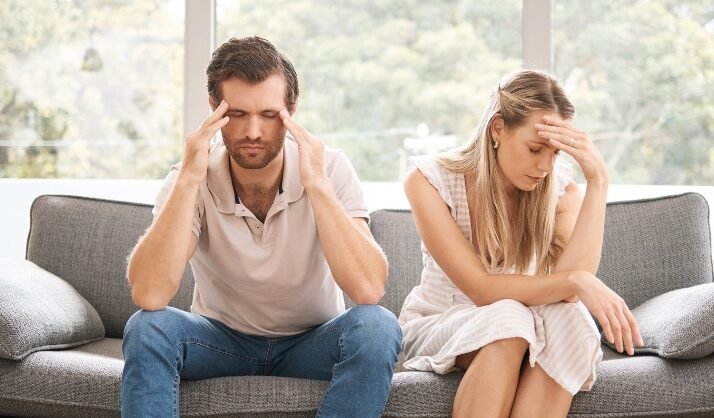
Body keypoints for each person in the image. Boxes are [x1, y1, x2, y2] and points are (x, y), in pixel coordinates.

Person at [121, 36, 401, 418]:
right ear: (214, 109)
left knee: (377, 327)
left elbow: (368, 288)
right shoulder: (190, 176)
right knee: (147, 328)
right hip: (219, 342)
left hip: (311, 343)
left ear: (291, 111)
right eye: (238, 114)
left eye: (269, 115)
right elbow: (150, 294)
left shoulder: (329, 168)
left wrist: (317, 185)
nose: (253, 131)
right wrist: (188, 178)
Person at [399, 69, 643, 417]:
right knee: (510, 318)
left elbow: (568, 295)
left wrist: (598, 181)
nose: (545, 166)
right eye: (535, 148)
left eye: (555, 153)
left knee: (572, 320)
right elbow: (482, 289)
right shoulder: (429, 180)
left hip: (525, 323)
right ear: (498, 129)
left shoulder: (561, 191)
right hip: (440, 323)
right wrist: (577, 280)